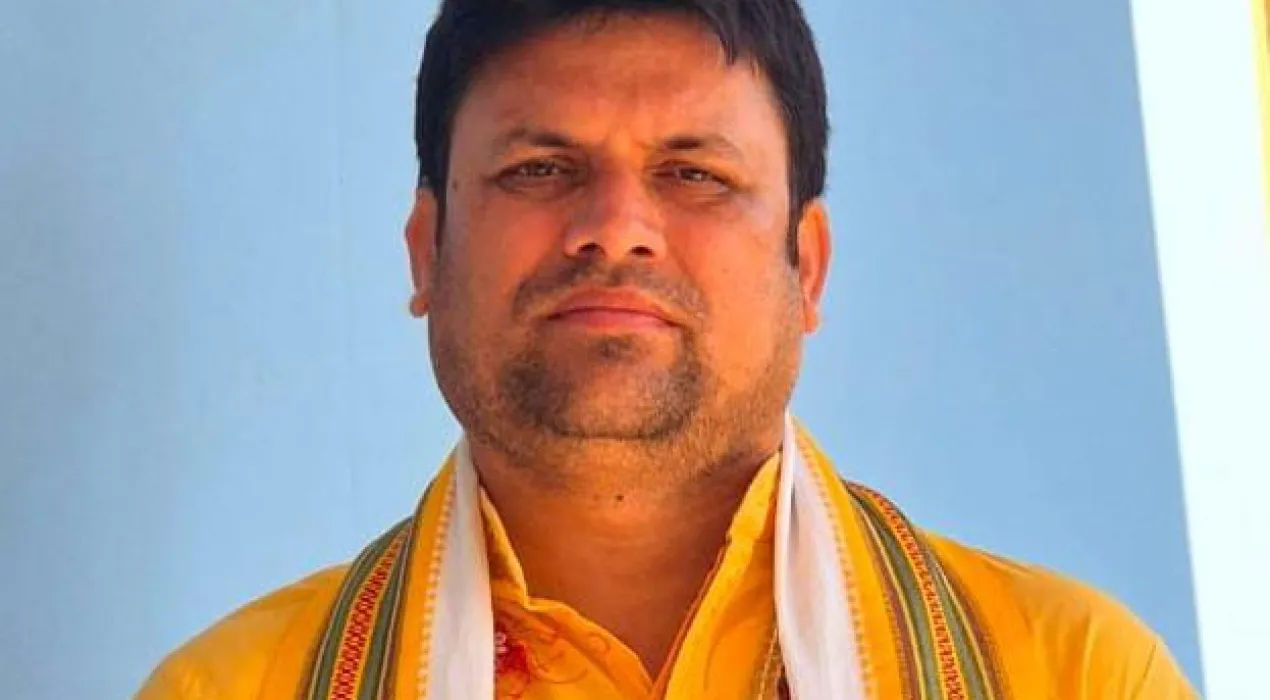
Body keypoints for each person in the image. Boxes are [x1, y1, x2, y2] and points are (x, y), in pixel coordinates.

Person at [137, 0, 1199, 698]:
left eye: (694, 175)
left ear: (807, 267)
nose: (615, 227)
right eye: (539, 169)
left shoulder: (1076, 674)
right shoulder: (230, 687)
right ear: (427, 252)